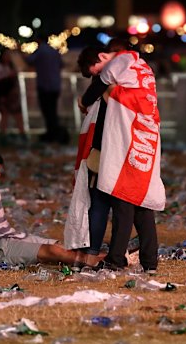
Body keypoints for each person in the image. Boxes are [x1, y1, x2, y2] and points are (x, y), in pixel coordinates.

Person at [67, 45, 165, 273]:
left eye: (96, 71)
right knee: (142, 205)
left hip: (128, 146)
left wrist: (85, 100)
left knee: (122, 203)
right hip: (144, 142)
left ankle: (115, 260)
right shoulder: (142, 72)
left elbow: (101, 87)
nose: (97, 78)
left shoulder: (121, 62)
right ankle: (150, 262)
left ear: (103, 58)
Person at [67, 39, 130, 270]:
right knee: (120, 206)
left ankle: (95, 251)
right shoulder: (132, 76)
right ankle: (113, 254)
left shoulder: (104, 82)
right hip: (120, 149)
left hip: (104, 150)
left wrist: (84, 102)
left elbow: (89, 106)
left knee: (102, 203)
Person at [25, 33, 69, 144]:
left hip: (44, 85)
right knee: (53, 111)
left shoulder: (40, 51)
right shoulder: (54, 51)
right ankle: (54, 133)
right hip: (55, 85)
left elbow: (30, 60)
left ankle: (51, 134)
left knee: (47, 111)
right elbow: (61, 64)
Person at [0, 49, 26, 146]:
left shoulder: (11, 67)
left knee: (18, 116)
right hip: (4, 95)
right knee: (4, 116)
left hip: (12, 96)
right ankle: (2, 137)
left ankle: (22, 136)